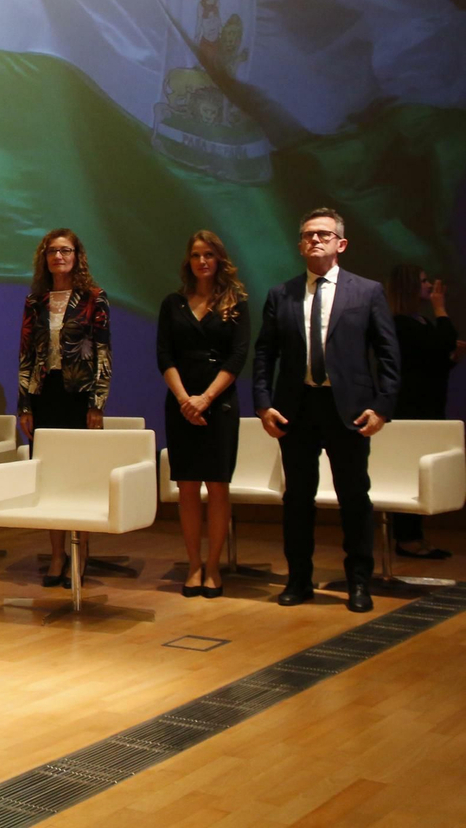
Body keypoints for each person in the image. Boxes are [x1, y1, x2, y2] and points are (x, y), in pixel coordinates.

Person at [253, 208, 400, 612]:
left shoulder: (366, 292)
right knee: (297, 498)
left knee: (354, 498)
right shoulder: (280, 294)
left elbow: (388, 354)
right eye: (308, 234)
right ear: (300, 244)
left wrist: (382, 408)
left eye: (324, 234)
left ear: (341, 244)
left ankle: (358, 583)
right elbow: (264, 354)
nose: (315, 240)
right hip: (295, 409)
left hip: (349, 409)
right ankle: (298, 580)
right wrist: (263, 404)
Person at [157, 231, 250, 599]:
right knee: (188, 488)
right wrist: (185, 400)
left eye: (209, 254)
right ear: (188, 261)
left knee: (217, 485)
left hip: (220, 403)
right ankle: (193, 564)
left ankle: (214, 567)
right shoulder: (173, 303)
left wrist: (205, 399)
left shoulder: (236, 302)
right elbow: (164, 355)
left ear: (220, 259)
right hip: (180, 404)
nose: (202, 261)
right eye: (196, 255)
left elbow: (238, 356)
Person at [17, 228, 111, 587]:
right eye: (52, 251)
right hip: (45, 395)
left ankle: (81, 552)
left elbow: (103, 354)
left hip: (80, 395)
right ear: (45, 258)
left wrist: (97, 404)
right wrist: (24, 405)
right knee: (49, 478)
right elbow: (26, 355)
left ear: (77, 256)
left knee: (80, 477)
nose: (59, 257)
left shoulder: (93, 298)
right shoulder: (35, 301)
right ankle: (57, 555)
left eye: (65, 251)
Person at [386, 265, 459, 560]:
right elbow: (442, 342)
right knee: (408, 470)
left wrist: (451, 357)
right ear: (408, 287)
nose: (429, 285)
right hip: (409, 408)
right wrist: (441, 308)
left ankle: (414, 535)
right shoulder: (400, 323)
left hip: (427, 405)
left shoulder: (420, 321)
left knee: (421, 472)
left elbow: (436, 361)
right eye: (423, 281)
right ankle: (406, 538)